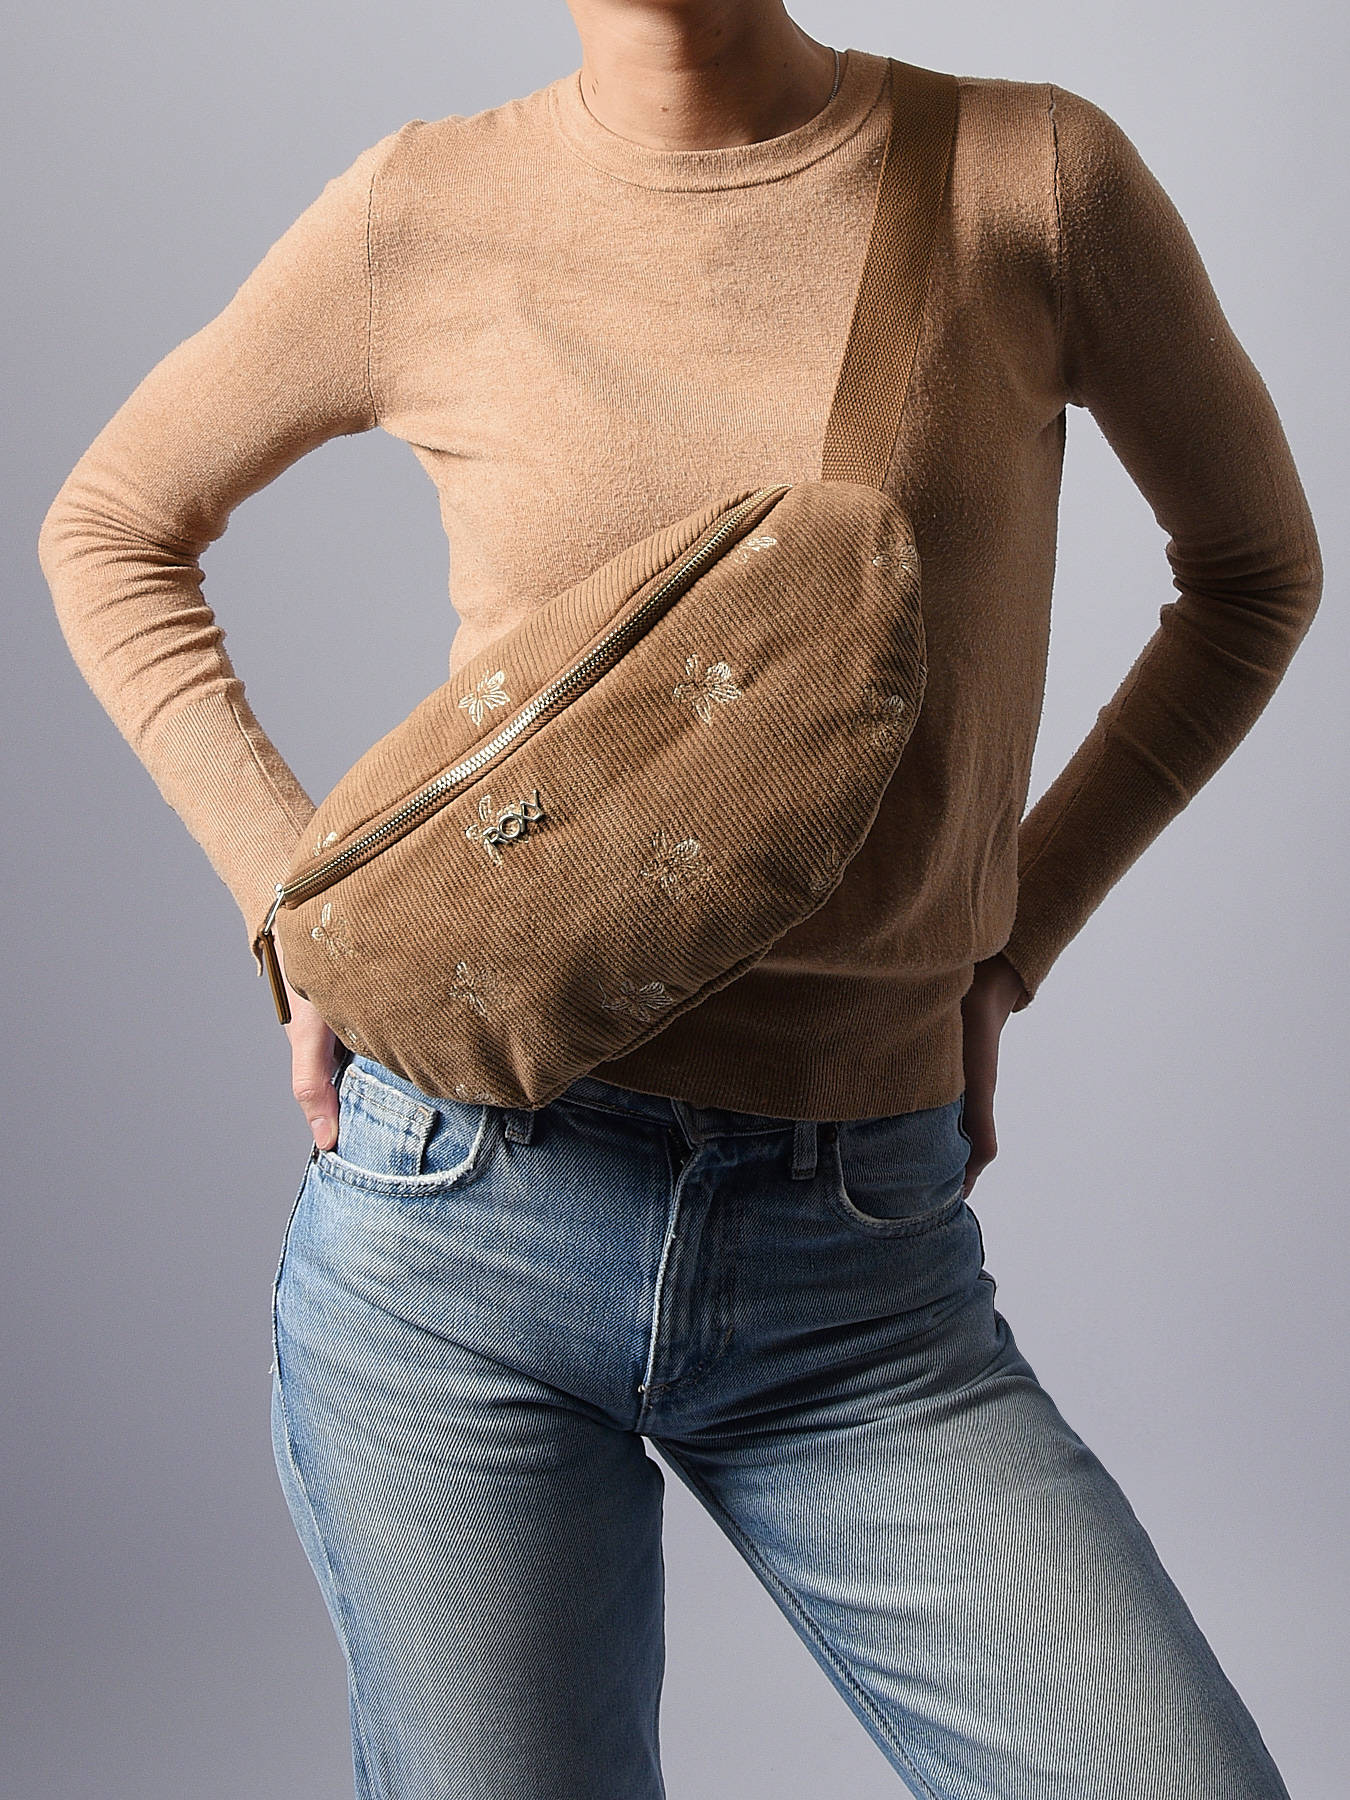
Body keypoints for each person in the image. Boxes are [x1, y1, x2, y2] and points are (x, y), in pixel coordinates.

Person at [37, 2, 1320, 1795]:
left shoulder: (1027, 177)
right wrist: (296, 904)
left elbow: (1253, 574)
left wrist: (1015, 933)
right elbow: (111, 526)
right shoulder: (426, 209)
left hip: (858, 1267)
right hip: (461, 1223)